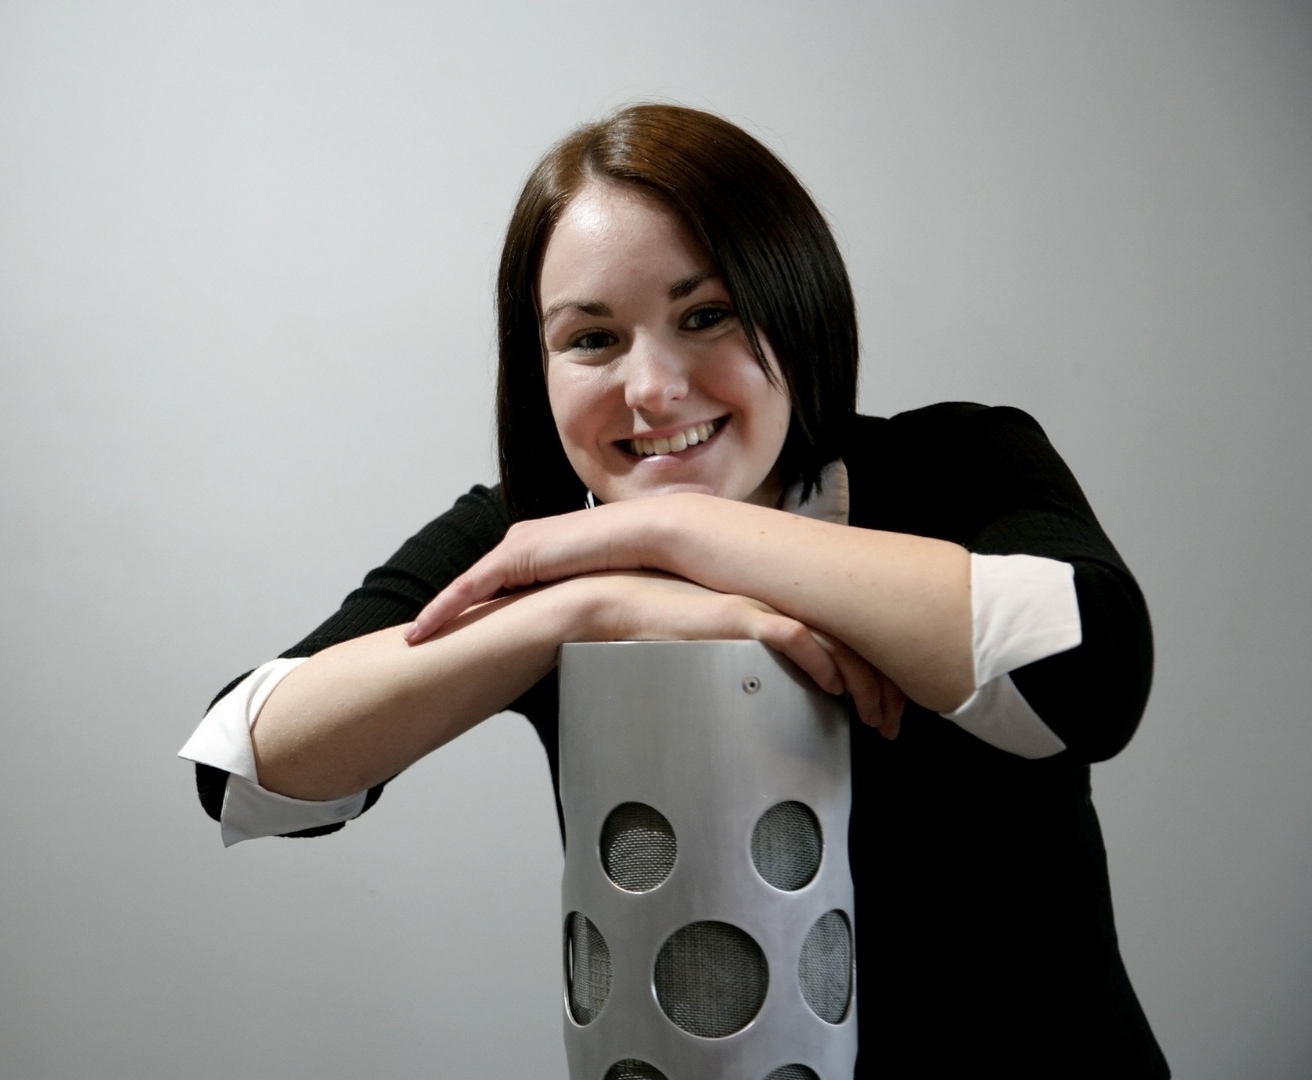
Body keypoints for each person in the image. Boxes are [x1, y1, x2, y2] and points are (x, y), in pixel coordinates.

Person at [181, 104, 1168, 1076]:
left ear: (798, 306)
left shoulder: (957, 462)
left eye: (706, 316)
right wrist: (582, 608)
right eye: (592, 339)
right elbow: (246, 770)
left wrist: (676, 528)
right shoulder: (539, 537)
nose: (651, 388)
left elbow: (1090, 679)